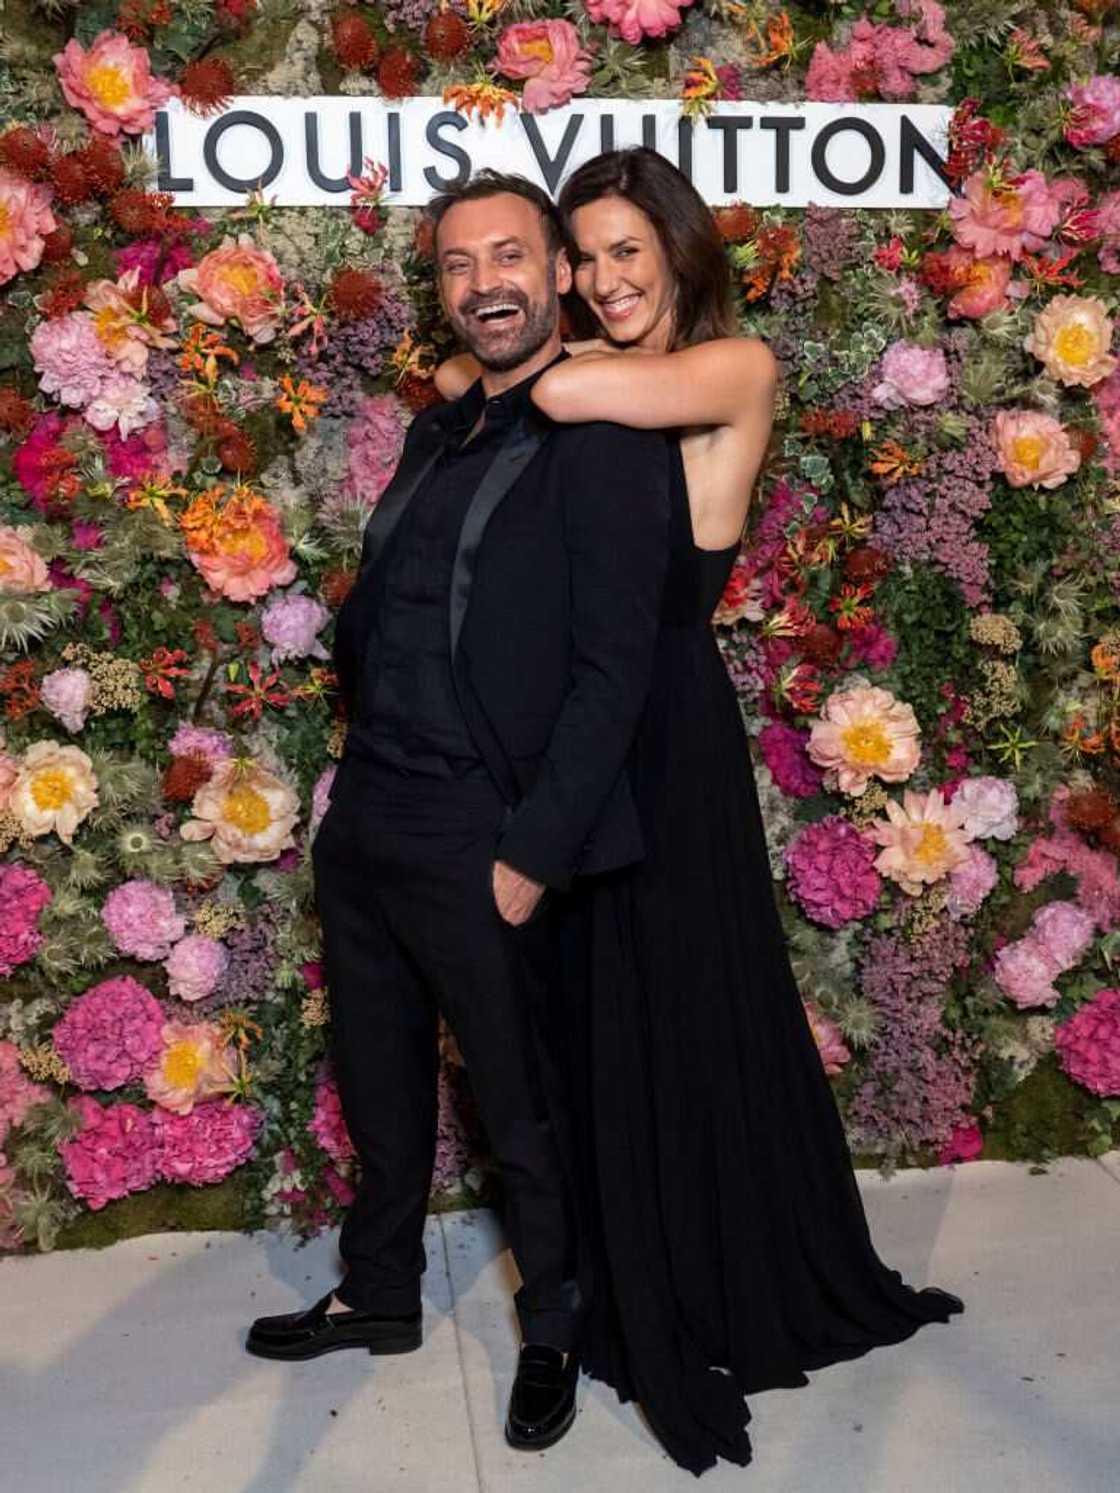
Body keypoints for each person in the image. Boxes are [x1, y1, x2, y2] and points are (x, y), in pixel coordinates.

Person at [438, 147, 964, 1477]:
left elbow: (530, 382)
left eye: (629, 251)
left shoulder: (730, 368)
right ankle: (622, 1264)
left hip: (662, 731)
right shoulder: (575, 371)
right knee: (590, 1012)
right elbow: (475, 385)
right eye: (590, 253)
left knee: (682, 1001)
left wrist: (495, 359)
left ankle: (718, 1278)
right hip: (570, 734)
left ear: (678, 251)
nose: (610, 278)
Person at [245, 170, 673, 1456]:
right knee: (376, 1077)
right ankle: (380, 1288)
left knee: (517, 1100)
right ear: (440, 290)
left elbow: (614, 675)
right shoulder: (441, 432)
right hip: (369, 810)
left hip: (482, 829)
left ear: (556, 275)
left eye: (509, 256)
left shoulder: (600, 443)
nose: (483, 282)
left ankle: (555, 1321)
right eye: (455, 264)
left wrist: (532, 847)